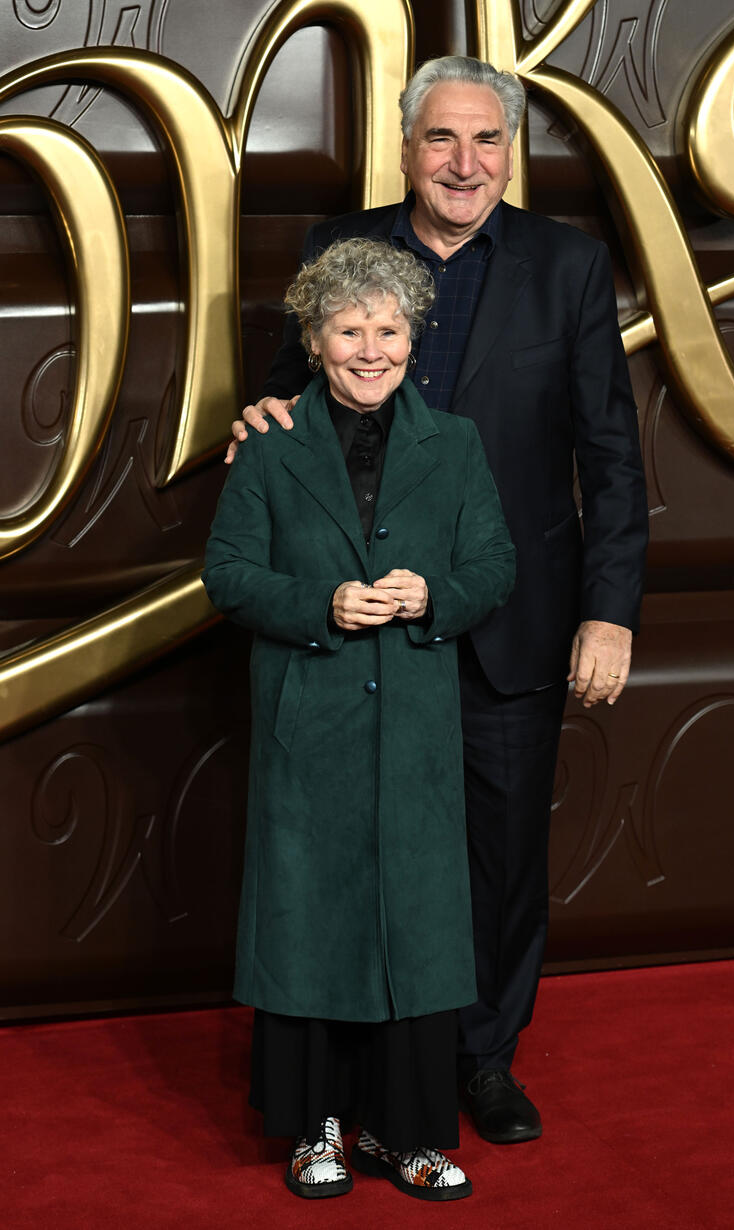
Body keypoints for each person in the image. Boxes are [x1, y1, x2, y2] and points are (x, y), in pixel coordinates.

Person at [228, 55, 648, 1146]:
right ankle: (370, 1076)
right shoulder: (339, 244)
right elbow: (291, 383)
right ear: (406, 148)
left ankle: (483, 1061)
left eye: (487, 140)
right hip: (357, 629)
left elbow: (609, 457)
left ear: (511, 151)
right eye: (440, 139)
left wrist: (610, 611)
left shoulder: (567, 265)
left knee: (501, 857)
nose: (464, 163)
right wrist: (259, 418)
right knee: (358, 845)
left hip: (508, 619)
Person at [204, 237, 515, 1200]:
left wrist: (436, 598)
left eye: (388, 329)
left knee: (417, 929)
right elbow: (229, 575)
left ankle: (408, 1134)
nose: (370, 348)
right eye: (349, 329)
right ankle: (314, 1132)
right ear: (313, 338)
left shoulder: (455, 442)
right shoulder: (267, 445)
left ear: (412, 339)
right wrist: (322, 605)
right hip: (311, 723)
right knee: (310, 926)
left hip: (417, 728)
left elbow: (496, 567)